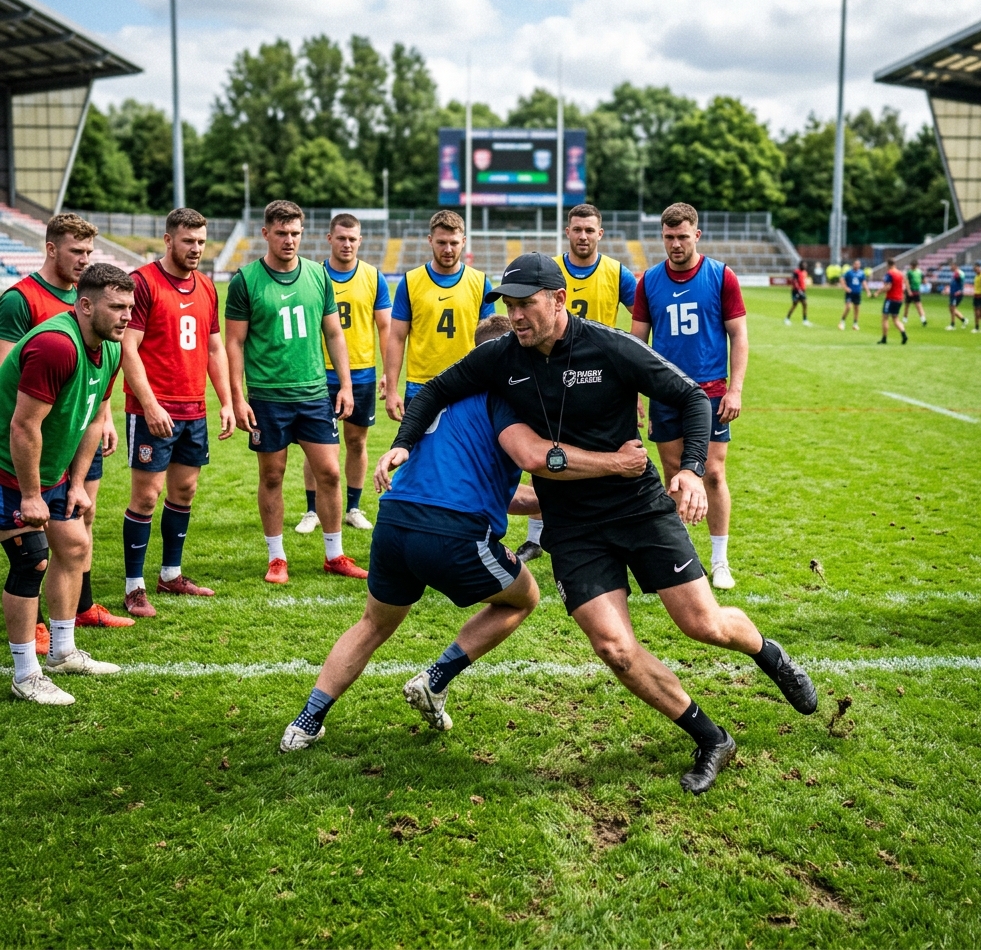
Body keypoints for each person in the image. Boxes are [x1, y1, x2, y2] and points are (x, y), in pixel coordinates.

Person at [387, 253, 817, 796]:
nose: (516, 316)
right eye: (510, 306)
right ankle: (712, 737)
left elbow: (690, 397)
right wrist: (402, 446)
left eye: (526, 304)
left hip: (638, 508)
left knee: (702, 625)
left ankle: (770, 656)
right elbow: (432, 391)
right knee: (614, 648)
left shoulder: (609, 345)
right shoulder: (501, 357)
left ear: (558, 300)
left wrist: (687, 470)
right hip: (572, 527)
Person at [279, 314, 651, 751]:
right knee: (525, 597)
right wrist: (612, 467)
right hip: (453, 533)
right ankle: (436, 680)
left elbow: (494, 489)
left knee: (372, 625)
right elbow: (532, 457)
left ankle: (306, 722)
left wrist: (551, 503)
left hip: (396, 522)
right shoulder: (507, 398)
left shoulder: (443, 399)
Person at [0, 263, 133, 705]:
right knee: (31, 561)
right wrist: (31, 494)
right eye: (116, 307)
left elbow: (94, 416)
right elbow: (23, 427)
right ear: (85, 304)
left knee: (74, 546)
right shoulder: (57, 345)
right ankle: (25, 674)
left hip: (53, 471)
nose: (126, 316)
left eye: (129, 307)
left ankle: (62, 651)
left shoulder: (111, 347)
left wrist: (76, 483)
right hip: (8, 469)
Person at [225, 200, 366, 583]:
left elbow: (334, 333)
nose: (289, 240)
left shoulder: (319, 276)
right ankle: (276, 557)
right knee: (272, 475)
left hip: (314, 393)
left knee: (331, 473)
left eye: (296, 233)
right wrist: (238, 397)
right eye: (282, 233)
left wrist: (346, 385)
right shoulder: (245, 280)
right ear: (266, 233)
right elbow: (234, 343)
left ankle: (334, 554)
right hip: (268, 397)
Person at [119, 208, 235, 617]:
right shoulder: (143, 283)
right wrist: (149, 404)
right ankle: (134, 586)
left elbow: (215, 348)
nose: (196, 249)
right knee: (146, 496)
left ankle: (171, 574)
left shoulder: (206, 285)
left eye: (201, 242)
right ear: (169, 241)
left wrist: (226, 401)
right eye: (188, 241)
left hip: (194, 409)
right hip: (154, 409)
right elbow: (127, 348)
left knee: (184, 492)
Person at [631, 202, 748, 592]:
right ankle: (682, 558)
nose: (676, 244)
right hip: (665, 392)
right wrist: (635, 392)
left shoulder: (720, 276)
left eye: (682, 237)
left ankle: (720, 560)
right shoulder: (648, 281)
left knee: (712, 474)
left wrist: (735, 389)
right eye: (669, 237)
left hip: (711, 391)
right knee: (674, 477)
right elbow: (637, 342)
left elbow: (739, 336)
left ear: (696, 235)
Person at [516, 202, 637, 564]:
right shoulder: (549, 272)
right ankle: (536, 537)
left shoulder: (618, 274)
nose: (583, 236)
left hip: (605, 384)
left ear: (600, 234)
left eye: (590, 230)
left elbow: (643, 322)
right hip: (552, 377)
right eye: (577, 229)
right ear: (567, 232)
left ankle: (619, 533)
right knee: (546, 456)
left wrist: (635, 384)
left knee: (611, 455)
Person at [295, 213, 391, 535]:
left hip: (361, 371)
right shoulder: (313, 275)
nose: (347, 244)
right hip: (319, 371)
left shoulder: (374, 277)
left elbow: (385, 327)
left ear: (360, 241)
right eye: (341, 238)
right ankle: (312, 510)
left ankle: (352, 507)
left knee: (356, 441)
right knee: (317, 443)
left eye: (353, 239)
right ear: (329, 239)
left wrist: (388, 373)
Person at [384, 210, 493, 421]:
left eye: (454, 243)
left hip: (467, 383)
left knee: (467, 453)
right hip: (421, 385)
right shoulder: (410, 282)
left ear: (463, 241)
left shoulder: (481, 283)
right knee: (419, 452)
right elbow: (397, 338)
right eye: (441, 242)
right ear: (430, 240)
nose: (448, 249)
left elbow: (489, 341)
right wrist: (391, 390)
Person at [878, 258, 908, 344]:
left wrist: (878, 292)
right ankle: (903, 334)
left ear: (888, 264)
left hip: (891, 299)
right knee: (895, 318)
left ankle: (884, 339)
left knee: (885, 318)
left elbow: (888, 286)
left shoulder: (890, 273)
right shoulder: (900, 273)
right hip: (899, 299)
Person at [838, 258, 870, 331]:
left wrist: (867, 291)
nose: (857, 265)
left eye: (858, 264)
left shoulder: (861, 273)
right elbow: (842, 279)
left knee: (857, 309)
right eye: (856, 264)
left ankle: (855, 324)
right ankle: (842, 321)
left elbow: (864, 282)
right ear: (853, 264)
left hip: (857, 293)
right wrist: (845, 288)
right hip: (850, 293)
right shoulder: (849, 272)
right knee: (848, 307)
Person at [784, 261, 811, 326]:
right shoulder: (796, 272)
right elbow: (794, 281)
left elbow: (804, 282)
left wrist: (804, 289)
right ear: (800, 265)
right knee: (795, 304)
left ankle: (805, 320)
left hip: (802, 290)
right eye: (804, 265)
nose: (805, 266)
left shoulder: (805, 272)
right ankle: (787, 319)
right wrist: (798, 290)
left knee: (805, 304)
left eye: (805, 265)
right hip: (796, 291)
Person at [902, 260, 927, 326]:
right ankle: (923, 320)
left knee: (907, 306)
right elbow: (924, 281)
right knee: (919, 305)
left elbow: (906, 282)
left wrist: (909, 291)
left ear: (912, 265)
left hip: (910, 291)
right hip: (916, 291)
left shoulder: (909, 272)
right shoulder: (920, 272)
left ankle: (904, 320)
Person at [946, 264, 967, 329]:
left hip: (956, 294)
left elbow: (961, 282)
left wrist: (960, 290)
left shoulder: (959, 273)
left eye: (951, 266)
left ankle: (952, 325)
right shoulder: (955, 273)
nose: (950, 267)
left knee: (953, 308)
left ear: (955, 266)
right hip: (953, 293)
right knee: (951, 308)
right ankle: (963, 320)